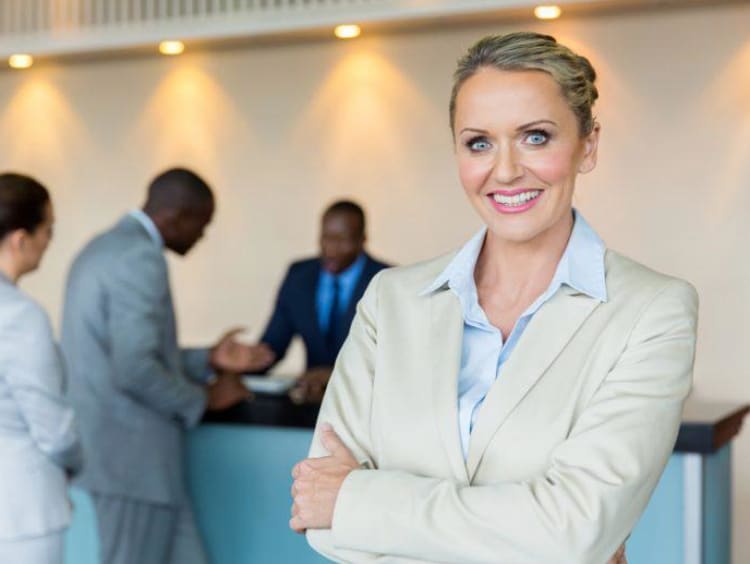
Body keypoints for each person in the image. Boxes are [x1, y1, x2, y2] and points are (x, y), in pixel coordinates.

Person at [290, 32, 698, 564]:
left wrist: (360, 504)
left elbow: (574, 531)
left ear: (588, 145)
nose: (504, 170)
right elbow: (319, 515)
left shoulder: (653, 311)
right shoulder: (391, 301)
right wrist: (529, 530)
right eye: (478, 142)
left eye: (535, 137)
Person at [61, 168, 274, 564]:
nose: (202, 236)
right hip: (133, 464)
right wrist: (206, 398)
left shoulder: (103, 247)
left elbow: (132, 353)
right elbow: (134, 368)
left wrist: (208, 358)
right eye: (202, 225)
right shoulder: (140, 257)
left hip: (137, 465)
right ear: (177, 216)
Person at [0, 173, 83, 563]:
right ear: (20, 239)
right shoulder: (19, 315)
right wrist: (75, 458)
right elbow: (53, 429)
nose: (49, 241)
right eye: (47, 229)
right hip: (20, 508)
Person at [258, 200, 389, 404]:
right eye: (326, 238)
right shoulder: (299, 276)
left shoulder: (387, 281)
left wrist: (335, 375)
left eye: (342, 240)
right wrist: (243, 362)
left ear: (363, 240)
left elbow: (394, 359)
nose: (330, 250)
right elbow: (274, 344)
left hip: (367, 406)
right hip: (310, 404)